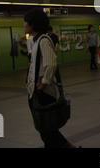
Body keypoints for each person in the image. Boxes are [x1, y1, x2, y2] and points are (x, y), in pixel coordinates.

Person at [24, 8, 76, 148]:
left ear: (32, 24)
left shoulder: (43, 40)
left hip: (44, 93)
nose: (24, 25)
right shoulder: (35, 41)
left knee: (46, 130)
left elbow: (51, 64)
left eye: (25, 22)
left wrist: (43, 84)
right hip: (35, 91)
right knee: (46, 130)